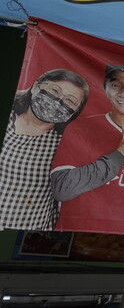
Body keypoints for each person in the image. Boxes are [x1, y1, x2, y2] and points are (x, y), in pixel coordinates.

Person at [50, 64, 124, 235]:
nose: (123, 92)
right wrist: (119, 157)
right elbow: (62, 188)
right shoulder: (82, 128)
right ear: (106, 90)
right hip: (82, 236)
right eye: (115, 85)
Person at [0, 69, 89, 230]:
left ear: (74, 113)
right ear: (36, 86)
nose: (58, 101)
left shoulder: (66, 143)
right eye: (54, 90)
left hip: (26, 229)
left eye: (70, 101)